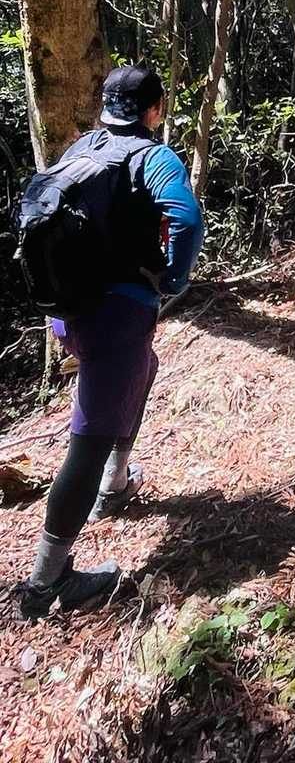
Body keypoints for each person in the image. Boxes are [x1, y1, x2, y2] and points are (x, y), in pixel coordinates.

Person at [17, 65, 204, 620]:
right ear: (154, 109)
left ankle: (116, 485)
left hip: (68, 312)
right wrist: (173, 278)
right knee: (89, 438)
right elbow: (186, 218)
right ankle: (45, 583)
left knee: (144, 369)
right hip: (114, 315)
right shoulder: (153, 157)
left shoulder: (83, 149)